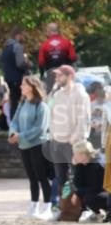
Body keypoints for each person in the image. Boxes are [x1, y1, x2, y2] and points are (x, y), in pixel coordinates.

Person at [8, 75, 53, 219]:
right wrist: (13, 133)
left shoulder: (42, 106)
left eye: (23, 84)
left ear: (32, 87)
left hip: (39, 145)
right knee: (32, 178)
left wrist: (20, 136)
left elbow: (41, 128)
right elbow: (14, 121)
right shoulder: (22, 104)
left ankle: (48, 208)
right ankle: (33, 207)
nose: (21, 86)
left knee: (42, 177)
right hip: (24, 146)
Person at [47, 65, 91, 210]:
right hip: (57, 142)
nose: (57, 78)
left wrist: (75, 140)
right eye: (57, 75)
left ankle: (84, 209)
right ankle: (65, 209)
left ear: (70, 76)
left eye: (60, 75)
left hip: (74, 144)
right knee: (61, 180)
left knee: (78, 179)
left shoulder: (81, 95)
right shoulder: (57, 95)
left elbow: (83, 120)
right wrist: (53, 135)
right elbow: (52, 117)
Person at [71, 140, 110, 222]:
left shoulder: (98, 164)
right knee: (84, 195)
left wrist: (78, 192)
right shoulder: (83, 163)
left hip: (107, 193)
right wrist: (77, 166)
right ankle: (96, 214)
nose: (73, 156)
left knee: (88, 198)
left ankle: (105, 212)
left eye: (75, 154)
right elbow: (78, 183)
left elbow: (98, 188)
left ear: (83, 154)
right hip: (97, 191)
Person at [0, 26, 31, 120]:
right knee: (23, 100)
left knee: (14, 102)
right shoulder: (17, 47)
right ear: (18, 35)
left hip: (8, 78)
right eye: (22, 36)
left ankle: (13, 122)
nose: (23, 38)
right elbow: (20, 63)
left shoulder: (5, 48)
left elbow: (0, 58)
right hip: (18, 77)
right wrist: (28, 64)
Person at [38, 22, 77, 91]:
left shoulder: (44, 45)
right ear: (57, 31)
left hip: (51, 75)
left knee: (52, 95)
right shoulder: (67, 42)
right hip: (65, 74)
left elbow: (41, 62)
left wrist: (42, 75)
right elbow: (73, 57)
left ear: (49, 31)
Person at [87, 81, 110, 152]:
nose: (100, 100)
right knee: (95, 148)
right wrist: (91, 123)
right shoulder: (91, 104)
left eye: (102, 98)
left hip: (105, 132)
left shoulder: (108, 104)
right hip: (94, 132)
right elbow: (87, 118)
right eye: (99, 98)